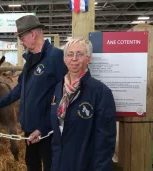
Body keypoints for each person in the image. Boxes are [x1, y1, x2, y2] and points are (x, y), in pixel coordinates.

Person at [0, 15, 67, 171]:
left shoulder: (56, 57)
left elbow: (64, 99)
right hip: (29, 130)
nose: (20, 42)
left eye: (21, 37)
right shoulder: (29, 59)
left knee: (51, 166)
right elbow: (18, 89)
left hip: (48, 132)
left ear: (32, 34)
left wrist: (43, 128)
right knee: (32, 165)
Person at [50, 37, 116, 171]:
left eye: (79, 54)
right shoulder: (58, 88)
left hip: (84, 164)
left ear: (88, 59)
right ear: (64, 59)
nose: (74, 58)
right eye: (70, 54)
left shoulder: (100, 92)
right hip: (59, 163)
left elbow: (105, 140)